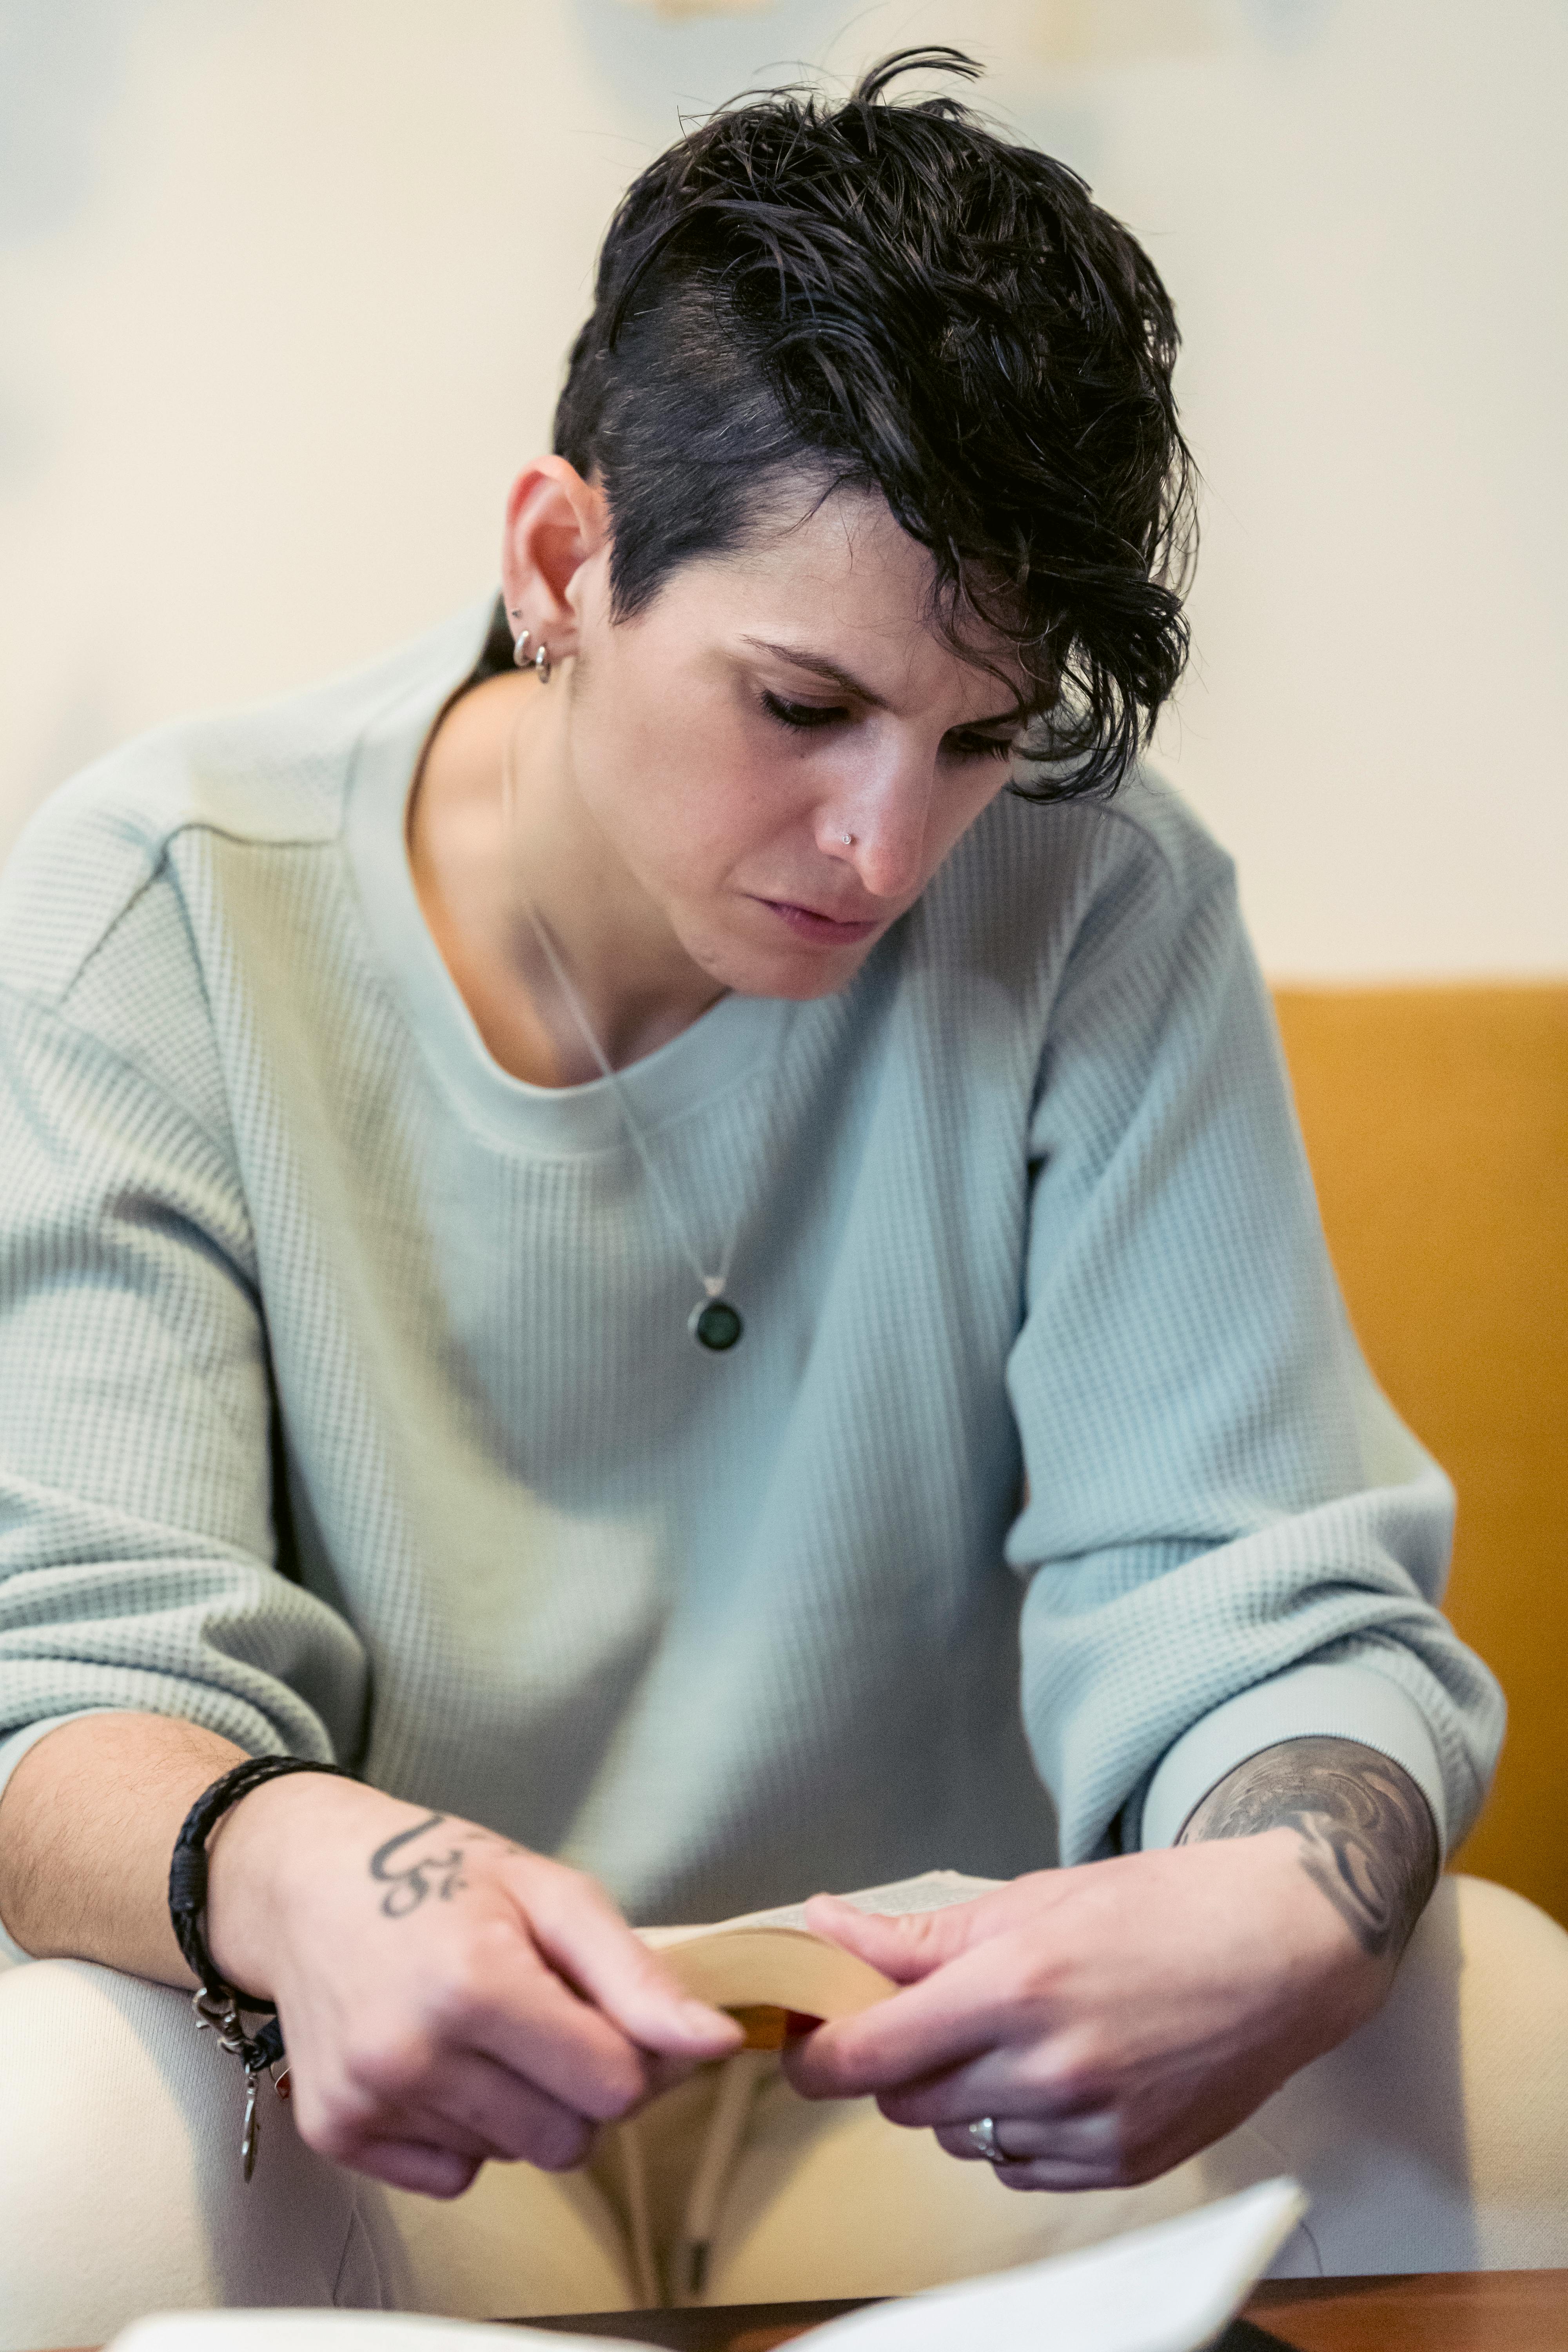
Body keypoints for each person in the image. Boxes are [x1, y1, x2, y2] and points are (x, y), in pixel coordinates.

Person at [0, 48, 1564, 2348]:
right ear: (562, 557)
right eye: (801, 704)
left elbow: (1269, 1611)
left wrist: (1290, 1899)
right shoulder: (167, 911)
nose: (889, 846)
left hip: (947, 2097)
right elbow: (63, 1702)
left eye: (973, 736)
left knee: (1499, 2021)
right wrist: (288, 1873)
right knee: (47, 2130)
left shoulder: (1099, 909)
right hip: (405, 2120)